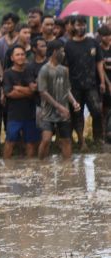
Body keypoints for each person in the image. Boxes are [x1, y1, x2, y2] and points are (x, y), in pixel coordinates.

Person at [64, 16, 105, 149]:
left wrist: (103, 82)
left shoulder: (93, 42)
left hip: (91, 85)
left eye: (83, 25)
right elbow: (66, 67)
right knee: (77, 114)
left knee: (97, 111)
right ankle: (82, 142)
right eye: (78, 25)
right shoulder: (68, 45)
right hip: (74, 85)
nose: (81, 27)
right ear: (72, 26)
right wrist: (66, 86)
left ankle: (98, 140)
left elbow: (99, 62)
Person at [37, 40, 80, 160]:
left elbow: (67, 90)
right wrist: (59, 106)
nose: (64, 54)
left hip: (63, 112)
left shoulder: (64, 70)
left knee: (66, 140)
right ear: (55, 52)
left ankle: (67, 167)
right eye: (62, 51)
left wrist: (74, 102)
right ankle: (40, 165)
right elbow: (43, 92)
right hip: (47, 112)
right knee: (46, 140)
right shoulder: (44, 70)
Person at [3, 46, 40, 159]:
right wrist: (28, 91)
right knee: (10, 141)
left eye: (22, 54)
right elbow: (9, 93)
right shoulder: (8, 73)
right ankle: (6, 166)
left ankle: (30, 167)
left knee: (30, 142)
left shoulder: (31, 70)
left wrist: (18, 88)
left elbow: (35, 90)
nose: (20, 57)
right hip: (14, 114)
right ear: (12, 58)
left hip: (30, 113)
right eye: (17, 55)